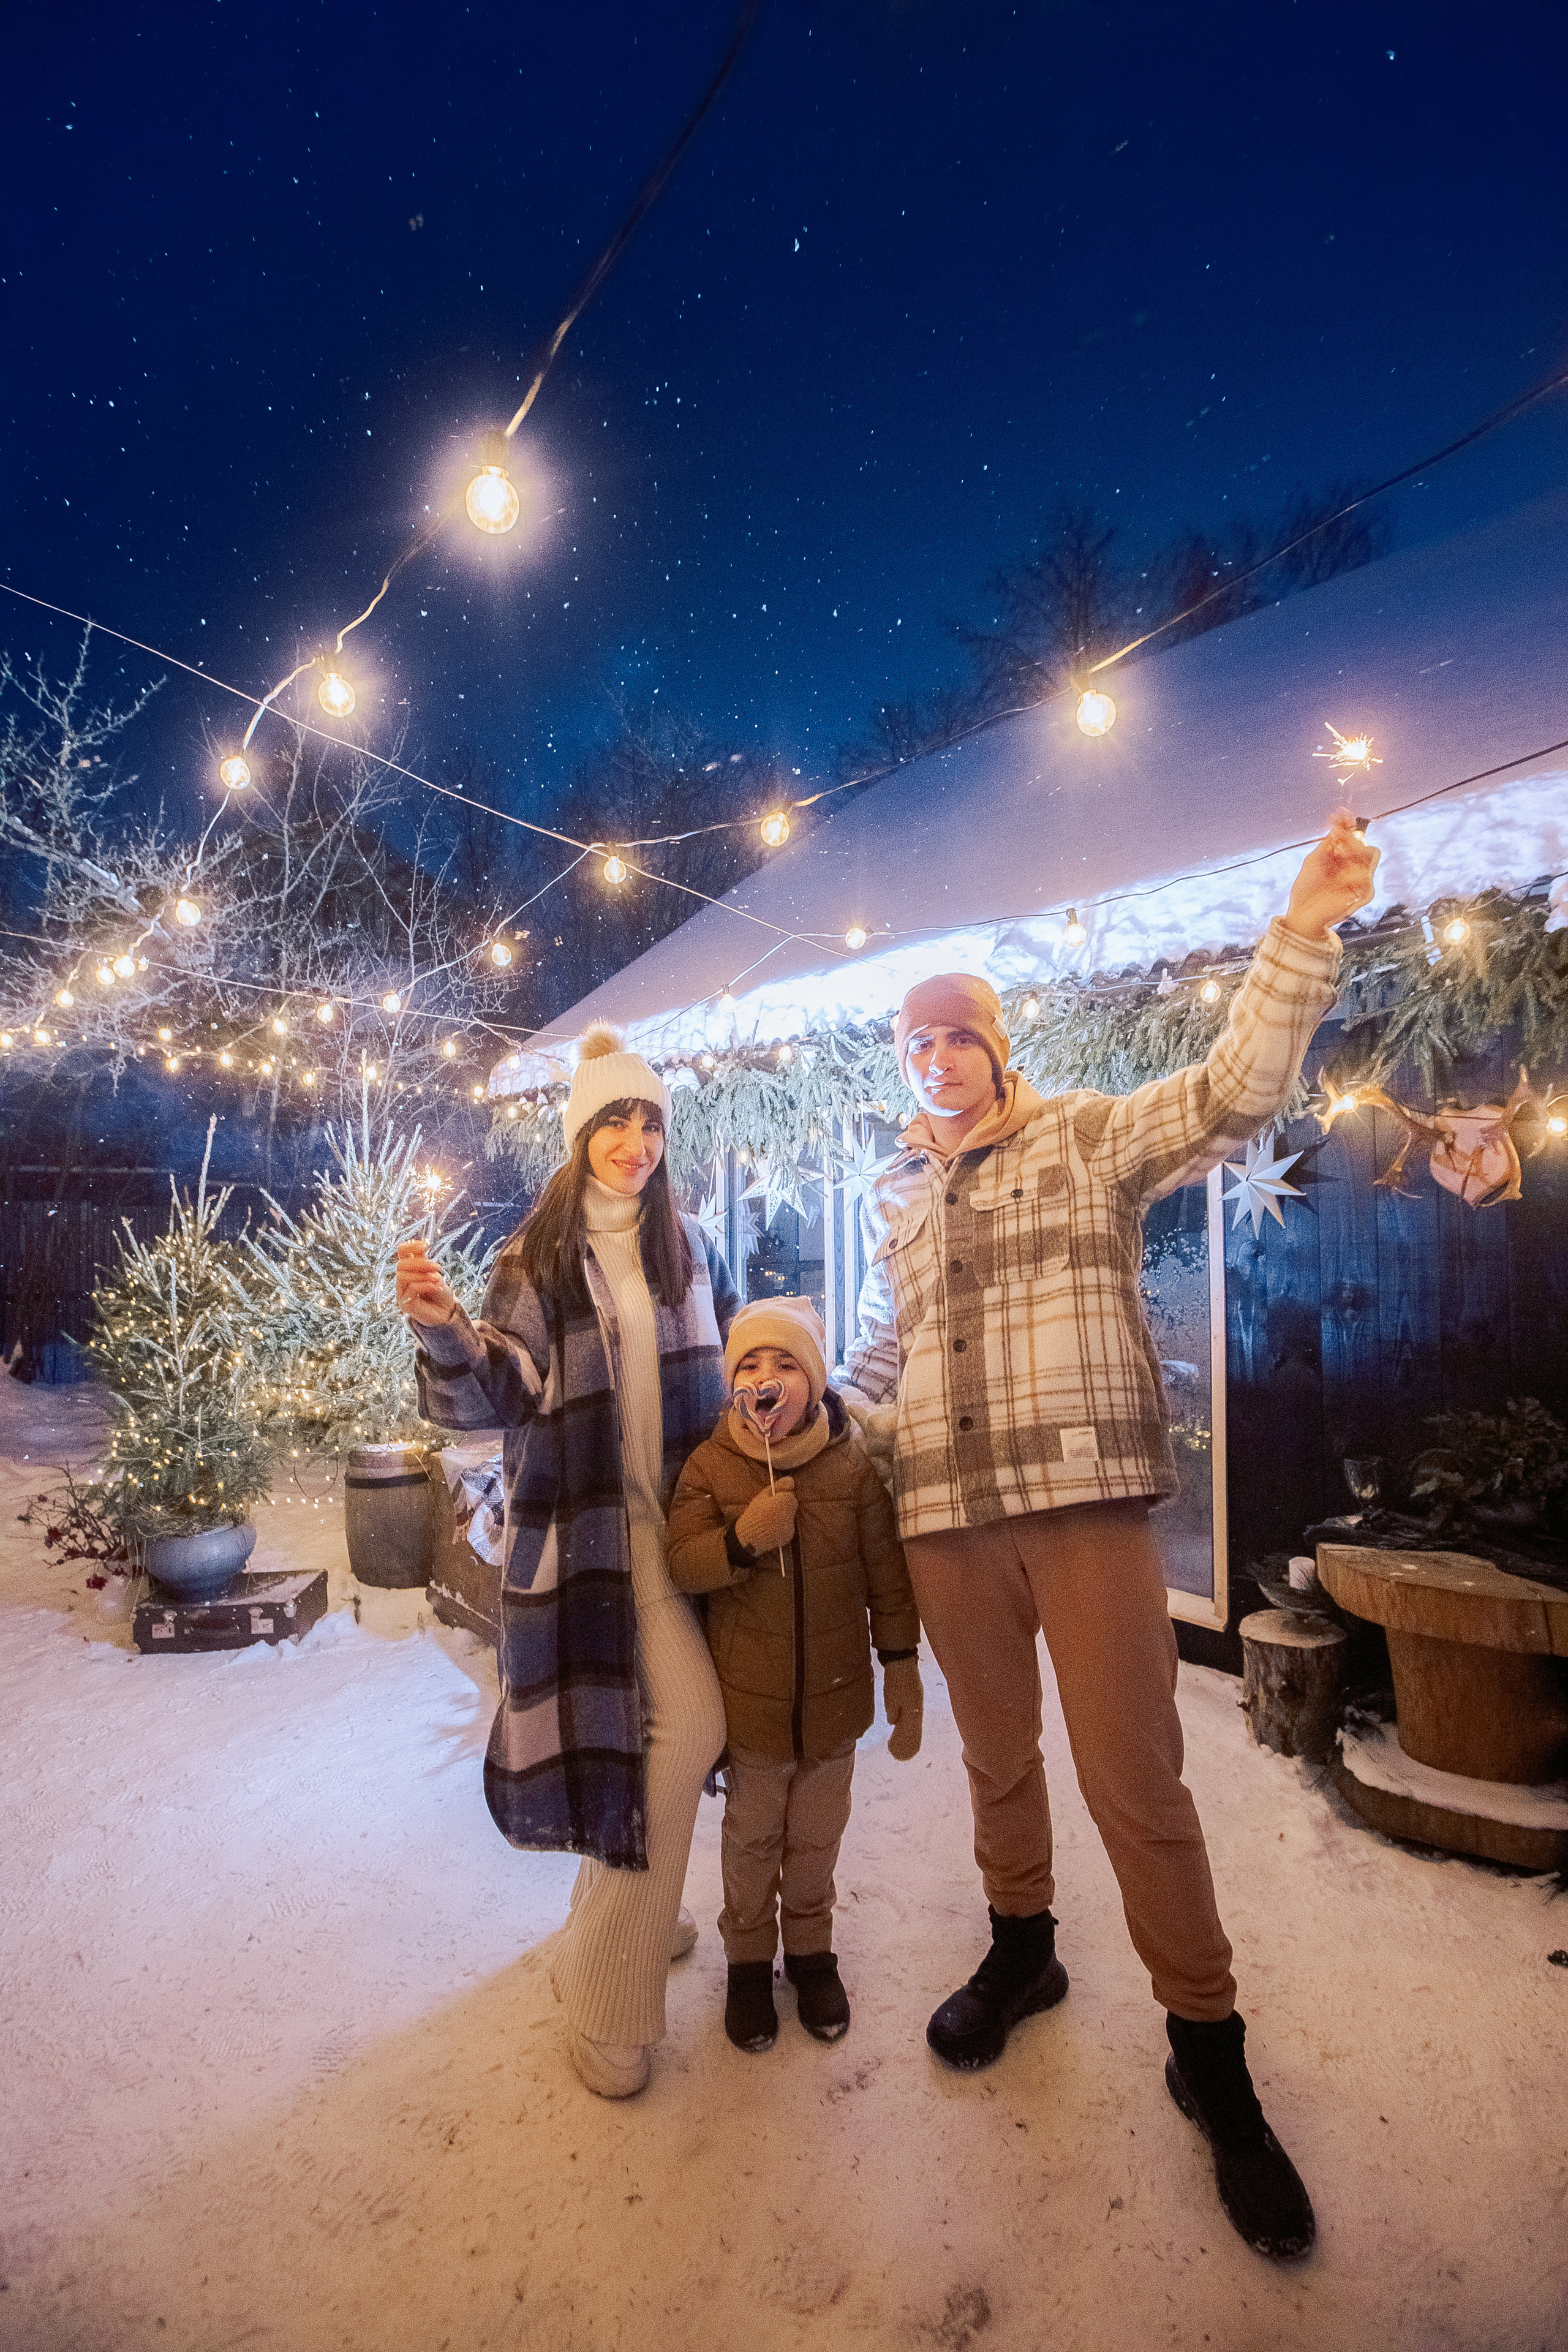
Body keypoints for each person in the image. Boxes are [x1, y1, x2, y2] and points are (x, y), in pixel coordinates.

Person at [837, 810, 1379, 2261]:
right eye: (915, 1042)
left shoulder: (1081, 1136)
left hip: (1077, 1513)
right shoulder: (900, 1198)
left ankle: (1205, 2047)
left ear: (995, 1047)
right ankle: (1024, 1951)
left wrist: (1299, 933)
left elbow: (1230, 1090)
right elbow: (895, 1353)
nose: (935, 1057)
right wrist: (822, 1402)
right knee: (995, 1759)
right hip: (946, 1526)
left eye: (956, 1035)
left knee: (1134, 1778)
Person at [395, 1022, 736, 2101]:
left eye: (651, 1123)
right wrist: (450, 1333)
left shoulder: (693, 1247)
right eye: (614, 1122)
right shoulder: (534, 1260)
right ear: (579, 1133)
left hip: (679, 1535)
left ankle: (618, 1913)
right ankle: (605, 1997)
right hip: (589, 1543)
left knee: (662, 1737)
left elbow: (721, 1391)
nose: (635, 1141)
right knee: (686, 1731)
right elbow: (497, 1391)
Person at [665, 1296, 924, 2054]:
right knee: (750, 1842)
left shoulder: (849, 1470)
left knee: (815, 1838)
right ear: (732, 1385)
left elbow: (888, 1578)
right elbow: (683, 1559)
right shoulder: (710, 1467)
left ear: (813, 1382)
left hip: (835, 1706)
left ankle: (810, 1953)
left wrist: (901, 1668)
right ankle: (748, 1962)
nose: (767, 1376)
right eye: (750, 1363)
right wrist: (741, 1543)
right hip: (750, 1711)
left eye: (787, 1364)